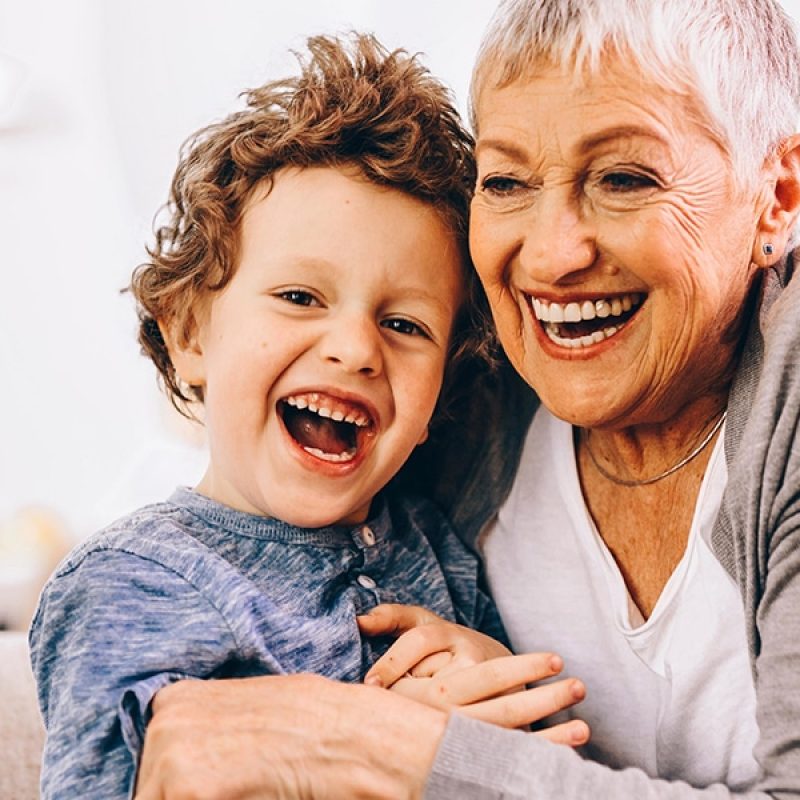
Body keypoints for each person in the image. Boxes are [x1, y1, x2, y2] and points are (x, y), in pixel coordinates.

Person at [130, 0, 800, 798]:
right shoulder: (461, 387)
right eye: (507, 181)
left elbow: (366, 748)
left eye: (623, 178)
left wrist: (393, 751)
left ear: (779, 196)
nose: (552, 255)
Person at [27, 34, 588, 800]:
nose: (357, 348)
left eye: (406, 325)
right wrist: (382, 747)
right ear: (189, 333)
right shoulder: (132, 583)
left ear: (436, 401)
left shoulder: (438, 549)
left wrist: (491, 680)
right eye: (300, 298)